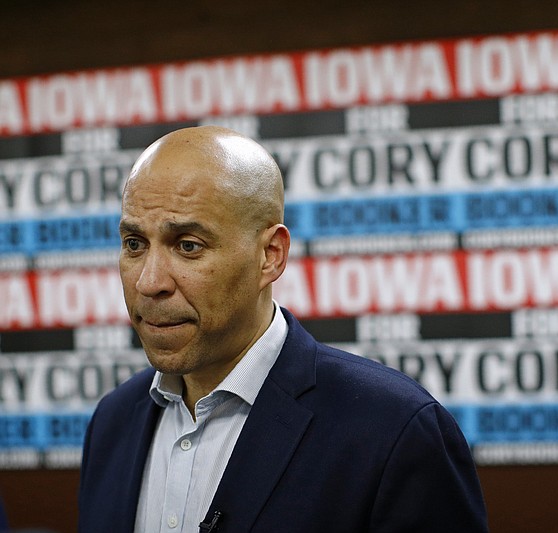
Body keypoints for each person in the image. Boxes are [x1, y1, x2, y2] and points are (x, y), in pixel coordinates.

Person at [77, 126, 488, 532]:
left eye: (188, 246)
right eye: (134, 244)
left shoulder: (394, 432)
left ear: (270, 256)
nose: (150, 282)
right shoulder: (112, 424)